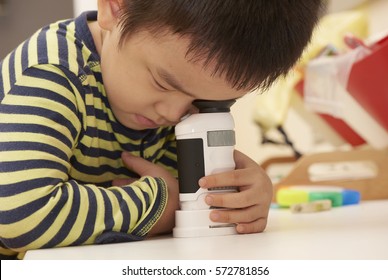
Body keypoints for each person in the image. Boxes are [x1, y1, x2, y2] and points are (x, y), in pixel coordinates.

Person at [0, 0, 324, 259]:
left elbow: (191, 201)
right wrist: (160, 204)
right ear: (115, 8)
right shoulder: (52, 72)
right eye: (161, 82)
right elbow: (18, 216)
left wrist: (237, 199)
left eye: (208, 102)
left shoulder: (175, 100)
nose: (174, 114)